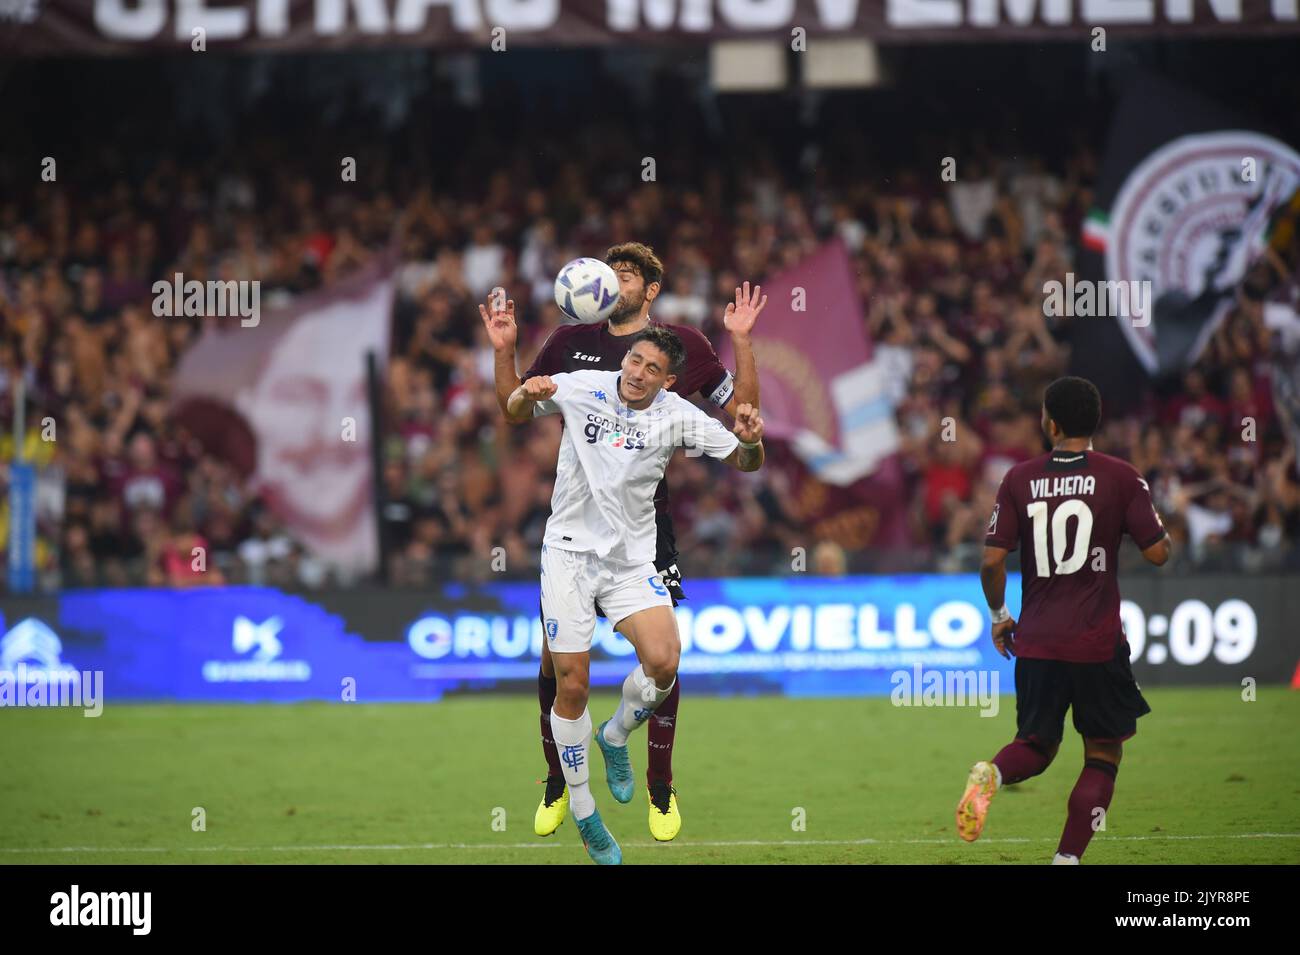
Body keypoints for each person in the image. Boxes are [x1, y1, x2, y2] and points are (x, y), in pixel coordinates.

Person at [481, 242, 765, 841]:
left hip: (643, 531)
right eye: (611, 272)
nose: (615, 281)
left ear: (652, 292)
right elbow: (514, 408)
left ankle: (658, 786)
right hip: (572, 531)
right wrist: (505, 355)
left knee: (663, 658)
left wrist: (741, 339)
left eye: (629, 274)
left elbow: (741, 420)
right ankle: (561, 784)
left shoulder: (681, 350)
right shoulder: (571, 349)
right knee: (558, 671)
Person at [958, 376, 1172, 863]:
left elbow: (992, 562)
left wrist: (999, 615)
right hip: (1098, 643)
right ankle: (1066, 859)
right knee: (1102, 753)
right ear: (1095, 422)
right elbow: (1158, 553)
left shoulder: (1019, 479)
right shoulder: (1122, 476)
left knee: (1035, 746)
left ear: (1050, 424)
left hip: (1036, 641)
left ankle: (991, 773)